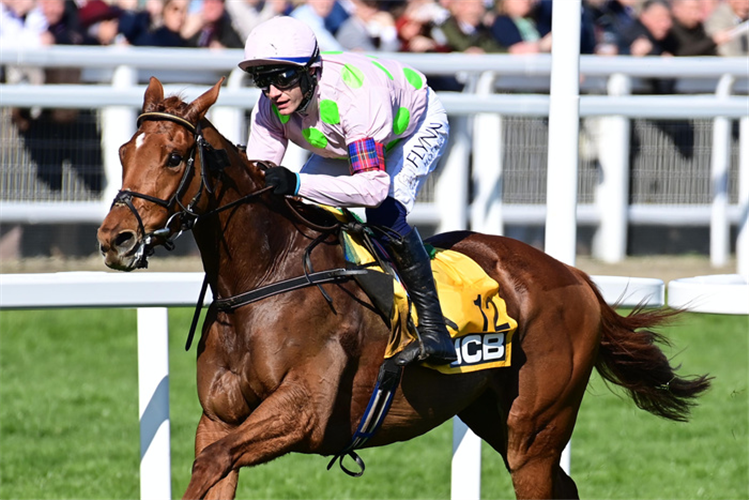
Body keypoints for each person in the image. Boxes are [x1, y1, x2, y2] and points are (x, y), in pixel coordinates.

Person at [239, 15, 458, 367]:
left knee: (384, 215)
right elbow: (260, 176)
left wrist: (295, 181)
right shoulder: (270, 105)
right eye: (262, 81)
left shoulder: (352, 97)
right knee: (297, 204)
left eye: (281, 79)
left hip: (411, 128)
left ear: (312, 72)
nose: (272, 92)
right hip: (348, 142)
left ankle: (435, 330)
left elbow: (372, 189)